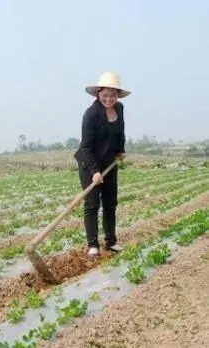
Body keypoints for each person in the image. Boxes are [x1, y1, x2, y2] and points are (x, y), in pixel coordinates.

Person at [74, 72, 130, 256]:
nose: (108, 99)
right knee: (92, 205)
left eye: (112, 95)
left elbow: (120, 131)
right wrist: (94, 172)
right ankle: (92, 245)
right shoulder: (91, 115)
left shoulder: (119, 108)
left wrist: (120, 150)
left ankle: (111, 242)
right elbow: (86, 146)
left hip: (109, 162)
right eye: (105, 95)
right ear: (98, 93)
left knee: (110, 203)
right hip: (89, 163)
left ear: (118, 95)